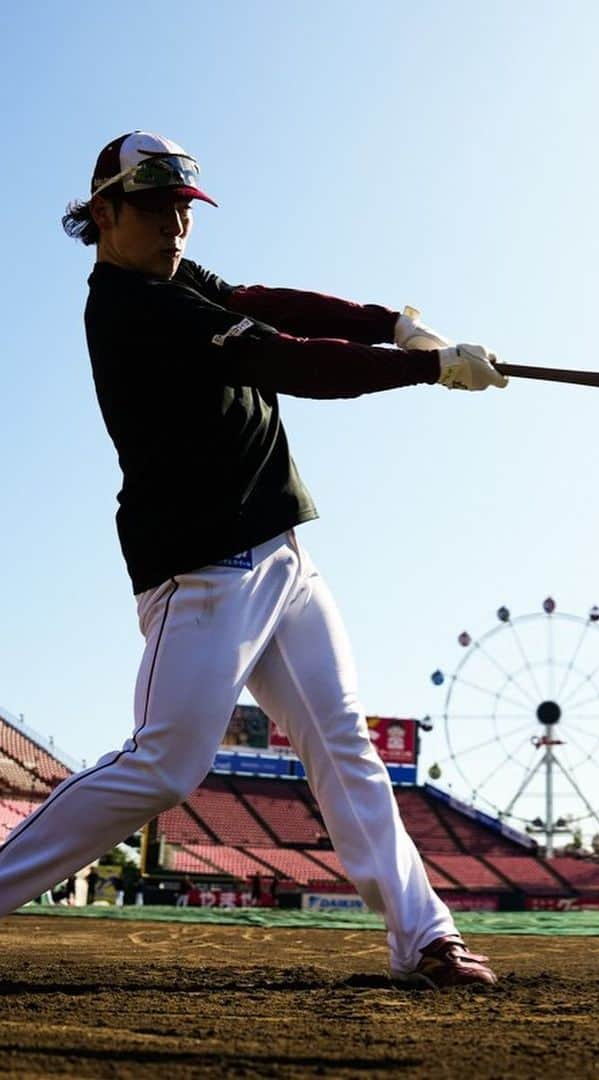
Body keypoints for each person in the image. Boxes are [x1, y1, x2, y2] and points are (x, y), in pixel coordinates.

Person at [0, 131, 502, 989]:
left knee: (345, 745)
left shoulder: (175, 280)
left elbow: (271, 303)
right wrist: (423, 371)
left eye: (182, 211)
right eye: (154, 210)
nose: (175, 228)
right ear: (104, 213)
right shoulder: (132, 307)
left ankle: (424, 939)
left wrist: (388, 323)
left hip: (281, 557)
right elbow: (284, 359)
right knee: (166, 761)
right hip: (201, 571)